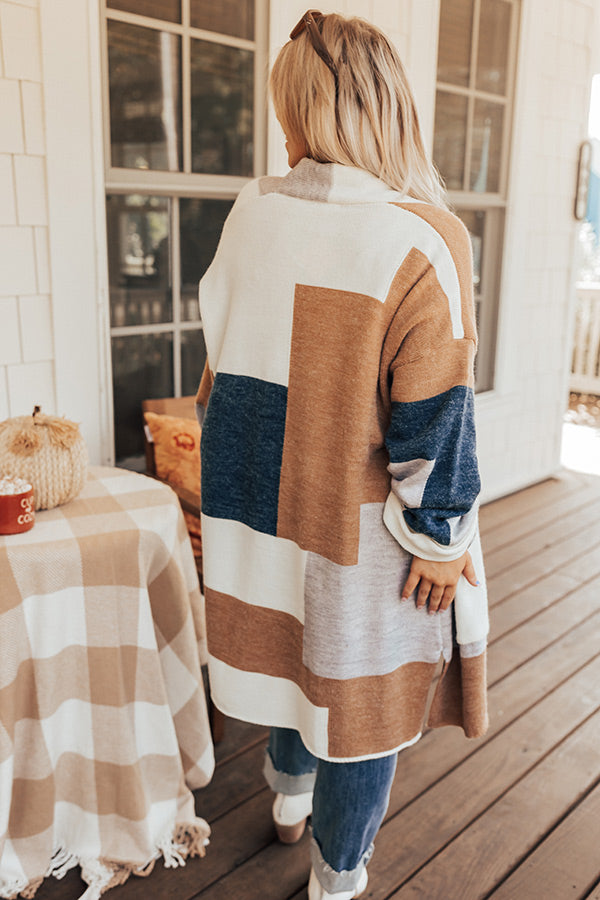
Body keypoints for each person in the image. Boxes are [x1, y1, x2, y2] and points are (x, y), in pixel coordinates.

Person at [195, 10, 489, 900]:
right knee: (354, 694)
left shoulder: (252, 211)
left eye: (289, 112)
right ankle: (338, 875)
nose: (281, 134)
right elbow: (435, 419)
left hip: (258, 497)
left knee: (293, 654)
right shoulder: (423, 237)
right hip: (363, 526)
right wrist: (441, 540)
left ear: (316, 114)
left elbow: (219, 362)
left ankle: (287, 801)